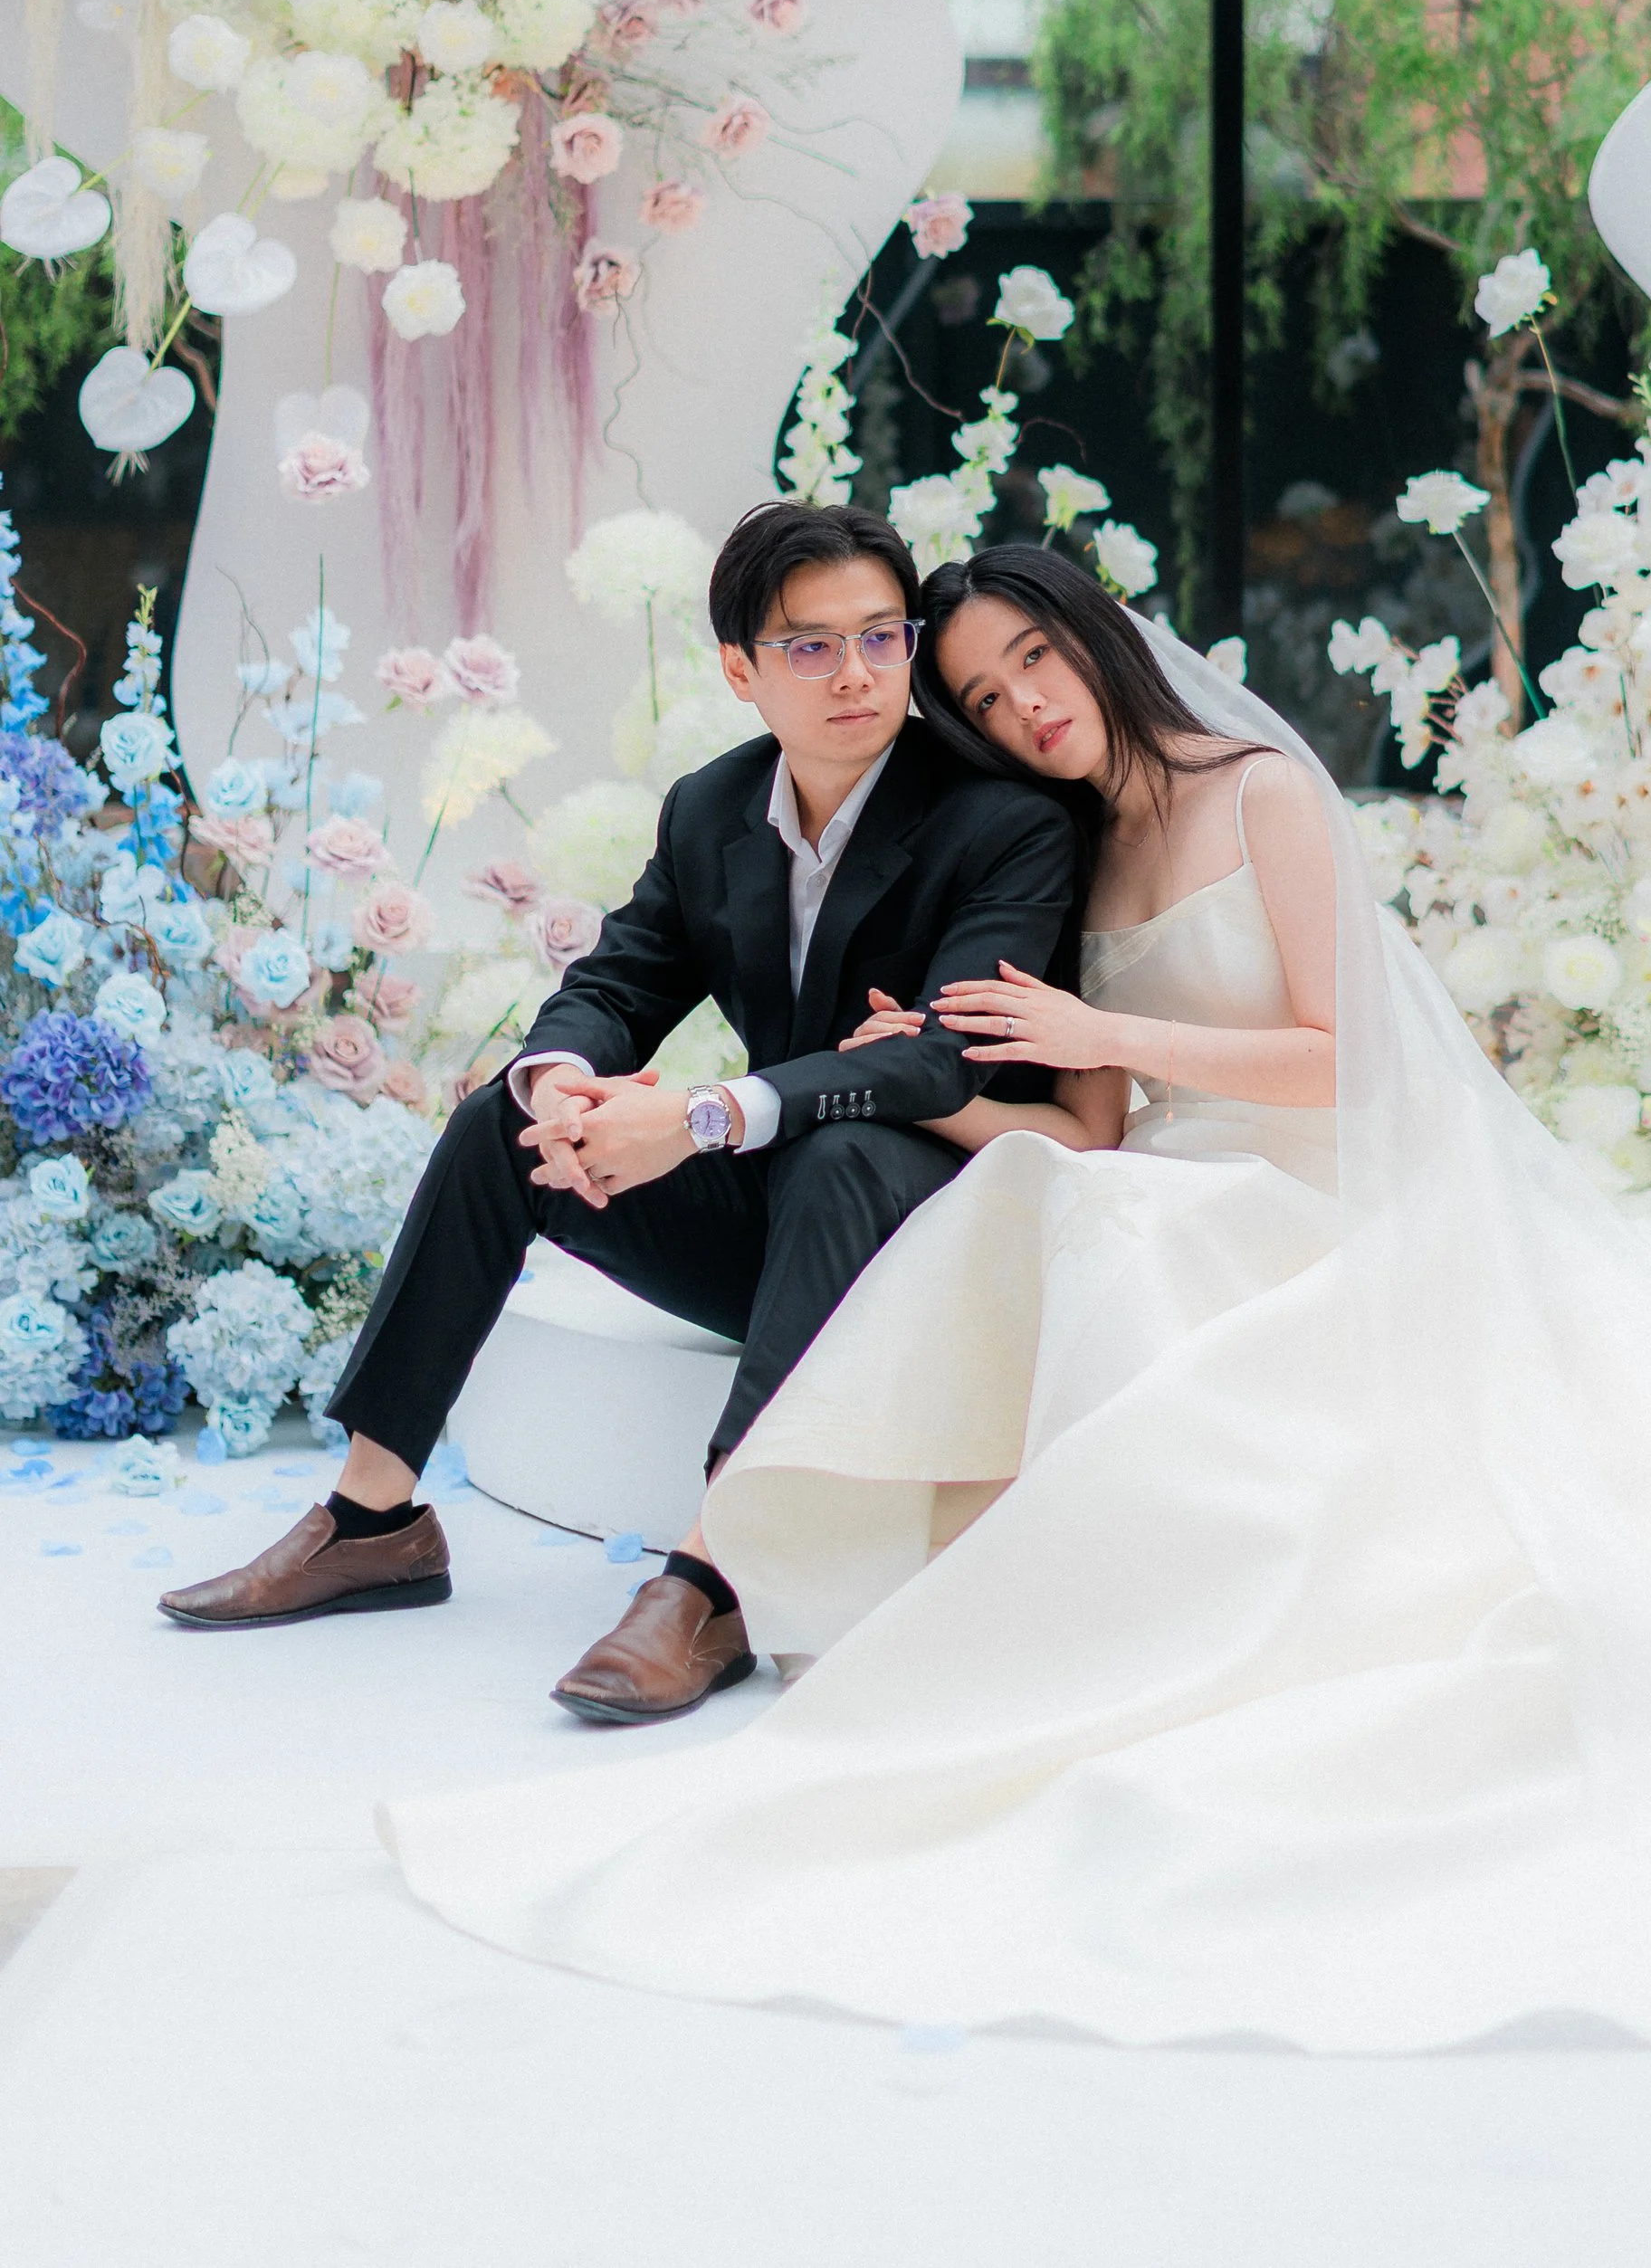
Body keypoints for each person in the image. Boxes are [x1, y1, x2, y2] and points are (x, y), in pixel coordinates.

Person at [383, 549, 1651, 2053]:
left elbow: (1338, 1062)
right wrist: (965, 1069)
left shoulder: (1250, 786)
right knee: (1026, 1192)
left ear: (1095, 637)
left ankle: (888, 1593)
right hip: (1155, 1154)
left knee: (1113, 1242)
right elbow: (1098, 1111)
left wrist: (1090, 1033)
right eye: (980, 698)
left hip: (1299, 1174)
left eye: (1029, 663)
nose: (1017, 707)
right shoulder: (1057, 836)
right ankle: (769, 1555)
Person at [156, 504, 1081, 1727]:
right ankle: (375, 1518)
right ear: (740, 670)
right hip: (784, 1238)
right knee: (503, 1115)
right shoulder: (712, 809)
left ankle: (716, 1574)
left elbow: (941, 1059)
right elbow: (617, 981)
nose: (856, 674)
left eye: (882, 636)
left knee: (852, 1142)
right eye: (811, 646)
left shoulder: (1004, 818)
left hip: (925, 1242)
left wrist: (703, 1111)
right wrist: (566, 1086)